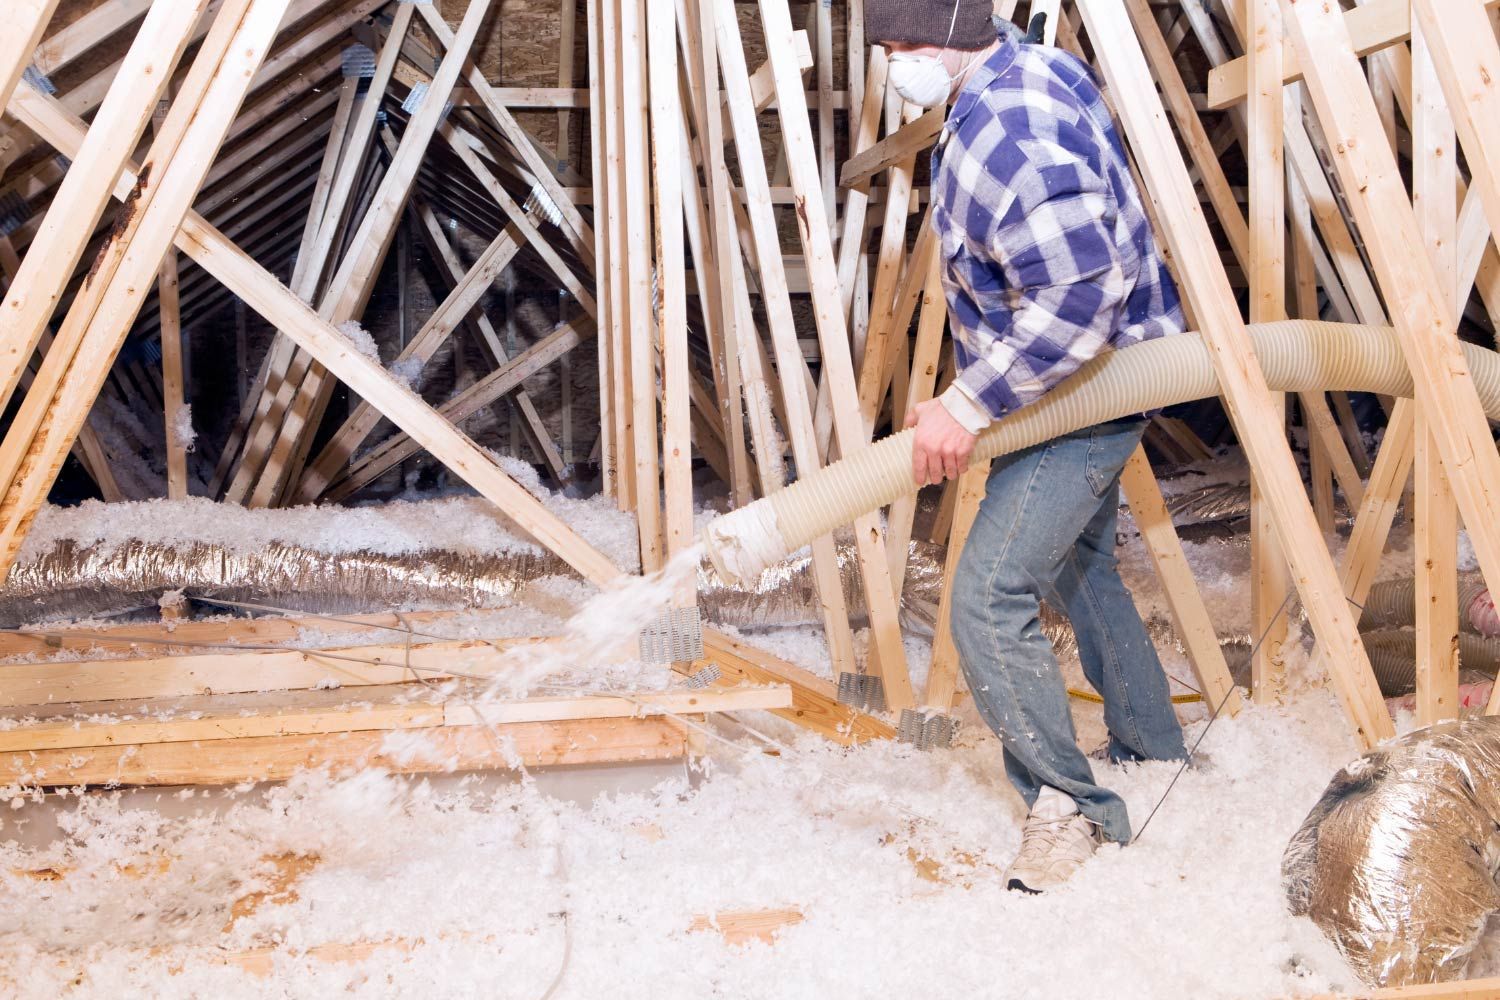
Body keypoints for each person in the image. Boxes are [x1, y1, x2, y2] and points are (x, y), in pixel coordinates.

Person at [864, 0, 1189, 892]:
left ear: (957, 35)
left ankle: (1072, 806)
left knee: (987, 595)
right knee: (1078, 565)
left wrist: (966, 405)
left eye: (903, 45)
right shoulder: (1025, 68)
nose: (894, 65)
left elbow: (1081, 296)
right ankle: (1154, 748)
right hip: (1067, 385)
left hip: (1083, 392)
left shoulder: (1006, 128)